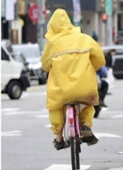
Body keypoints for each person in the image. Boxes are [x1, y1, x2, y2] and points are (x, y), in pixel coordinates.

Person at [42, 9, 104, 150]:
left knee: (56, 107)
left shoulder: (52, 44)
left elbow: (45, 65)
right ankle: (86, 126)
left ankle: (58, 137)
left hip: (61, 90)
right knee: (87, 104)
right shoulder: (84, 39)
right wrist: (92, 67)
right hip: (84, 87)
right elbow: (100, 59)